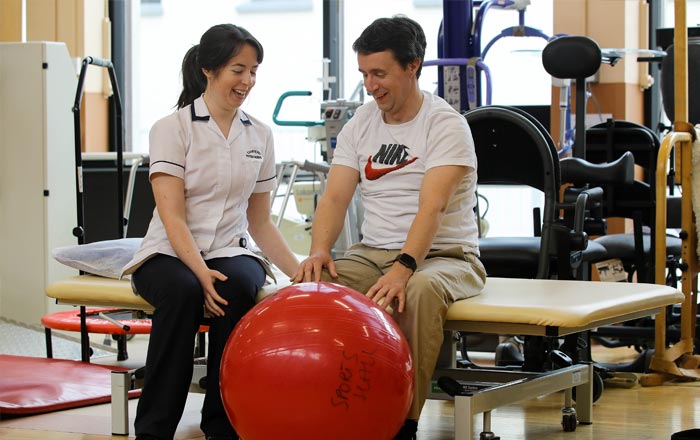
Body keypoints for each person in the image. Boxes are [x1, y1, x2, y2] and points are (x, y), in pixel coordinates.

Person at [292, 15, 486, 440]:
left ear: (412, 65)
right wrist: (320, 250)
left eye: (379, 73)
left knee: (413, 291)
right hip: (372, 252)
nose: (370, 84)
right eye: (364, 74)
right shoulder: (362, 122)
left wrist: (403, 268)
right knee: (314, 286)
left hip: (445, 256)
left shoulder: (445, 125)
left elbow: (431, 207)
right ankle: (323, 407)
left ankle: (403, 421)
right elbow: (337, 197)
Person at [122, 24, 299, 440]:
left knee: (238, 284)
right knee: (183, 290)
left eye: (254, 71)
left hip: (230, 249)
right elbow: (173, 218)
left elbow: (260, 223)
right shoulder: (173, 128)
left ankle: (222, 425)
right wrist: (200, 272)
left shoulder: (260, 134)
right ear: (208, 70)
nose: (248, 81)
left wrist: (300, 272)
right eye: (238, 70)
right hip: (168, 252)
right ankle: (153, 429)